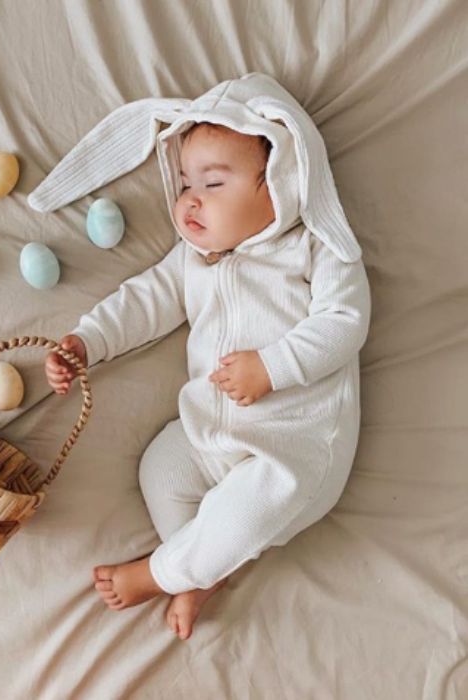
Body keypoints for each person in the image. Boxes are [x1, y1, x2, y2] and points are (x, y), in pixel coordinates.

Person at [31, 73, 372, 641]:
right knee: (161, 471)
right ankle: (203, 571)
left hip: (293, 450)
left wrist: (272, 367)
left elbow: (345, 323)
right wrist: (86, 341)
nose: (191, 198)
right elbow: (145, 301)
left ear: (279, 183)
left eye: (214, 183)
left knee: (242, 511)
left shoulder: (317, 245)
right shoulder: (194, 258)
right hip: (211, 434)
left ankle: (162, 573)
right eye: (186, 182)